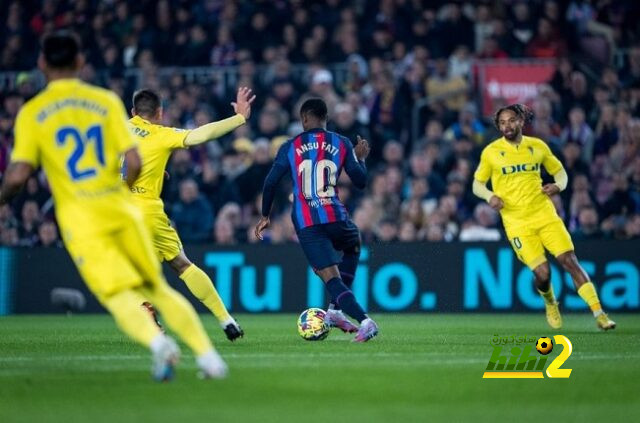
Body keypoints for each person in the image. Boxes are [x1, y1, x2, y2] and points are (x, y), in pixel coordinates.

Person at [0, 31, 227, 381]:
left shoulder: (32, 113)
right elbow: (133, 162)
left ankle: (159, 345)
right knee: (158, 287)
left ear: (42, 64)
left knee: (120, 294)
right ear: (80, 63)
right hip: (122, 209)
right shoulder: (104, 101)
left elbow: (17, 177)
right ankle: (210, 359)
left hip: (82, 220)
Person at [472, 103, 615, 331]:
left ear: (521, 121)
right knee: (543, 273)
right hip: (517, 223)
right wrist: (490, 197)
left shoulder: (537, 147)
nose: (506, 126)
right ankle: (550, 302)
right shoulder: (491, 152)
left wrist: (558, 186)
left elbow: (560, 173)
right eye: (502, 122)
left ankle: (600, 314)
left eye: (511, 120)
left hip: (545, 215)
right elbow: (477, 184)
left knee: (570, 261)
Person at [127, 87, 255, 341]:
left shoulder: (115, 129)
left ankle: (145, 307)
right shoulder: (160, 133)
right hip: (145, 208)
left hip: (116, 208)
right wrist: (239, 118)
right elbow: (199, 136)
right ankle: (225, 319)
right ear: (160, 113)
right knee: (181, 264)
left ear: (133, 112)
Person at [255, 98, 379, 342]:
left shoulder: (290, 146)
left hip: (307, 222)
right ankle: (334, 311)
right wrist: (360, 158)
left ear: (303, 119)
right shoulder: (342, 143)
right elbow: (361, 181)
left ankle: (365, 321)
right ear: (326, 118)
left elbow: (270, 183)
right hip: (336, 216)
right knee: (352, 247)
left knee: (330, 278)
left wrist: (265, 215)